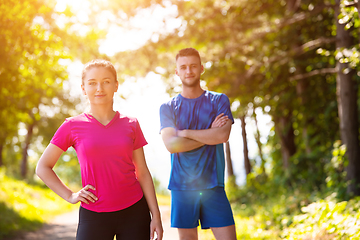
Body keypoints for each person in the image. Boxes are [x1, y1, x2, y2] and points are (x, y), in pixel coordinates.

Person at [36, 59, 163, 240]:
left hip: (135, 212)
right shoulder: (72, 126)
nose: (99, 88)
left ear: (116, 85)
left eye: (106, 81)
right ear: (83, 88)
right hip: (93, 214)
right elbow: (43, 167)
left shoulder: (131, 124)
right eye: (92, 83)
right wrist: (70, 196)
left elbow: (142, 172)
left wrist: (156, 216)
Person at [159, 48, 237, 240]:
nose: (189, 71)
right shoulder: (168, 107)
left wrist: (185, 133)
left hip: (213, 186)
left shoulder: (219, 100)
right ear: (176, 72)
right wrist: (209, 133)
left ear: (201, 68)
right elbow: (171, 145)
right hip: (181, 187)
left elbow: (222, 135)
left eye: (193, 66)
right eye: (183, 67)